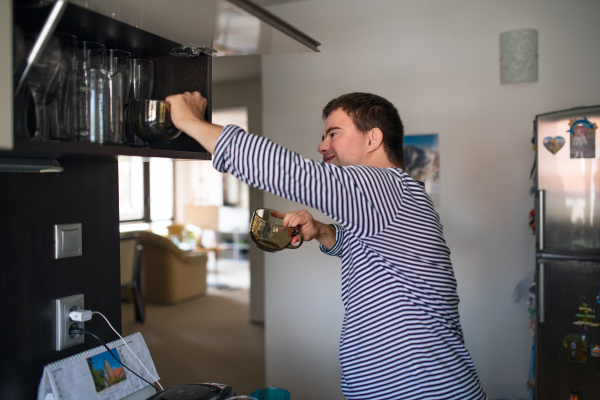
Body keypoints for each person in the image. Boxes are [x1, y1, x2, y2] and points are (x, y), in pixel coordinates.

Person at [166, 91, 487, 400]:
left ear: (373, 139)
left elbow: (287, 172)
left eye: (333, 134)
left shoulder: (383, 186)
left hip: (420, 390)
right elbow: (379, 254)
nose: (322, 145)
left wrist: (189, 121)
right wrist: (321, 231)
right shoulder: (401, 196)